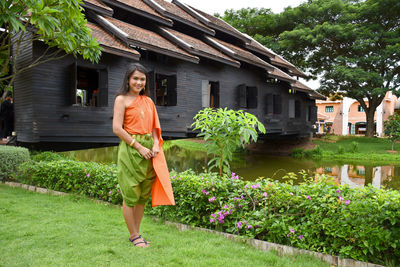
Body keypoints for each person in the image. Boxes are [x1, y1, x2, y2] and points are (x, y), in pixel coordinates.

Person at [112, 63, 175, 247]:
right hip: (131, 150)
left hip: (151, 152)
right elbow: (117, 128)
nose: (139, 82)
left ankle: (136, 233)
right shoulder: (121, 100)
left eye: (142, 79)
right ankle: (133, 235)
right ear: (128, 80)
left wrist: (156, 144)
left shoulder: (148, 101)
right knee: (130, 194)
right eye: (135, 78)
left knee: (143, 195)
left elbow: (156, 127)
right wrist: (138, 147)